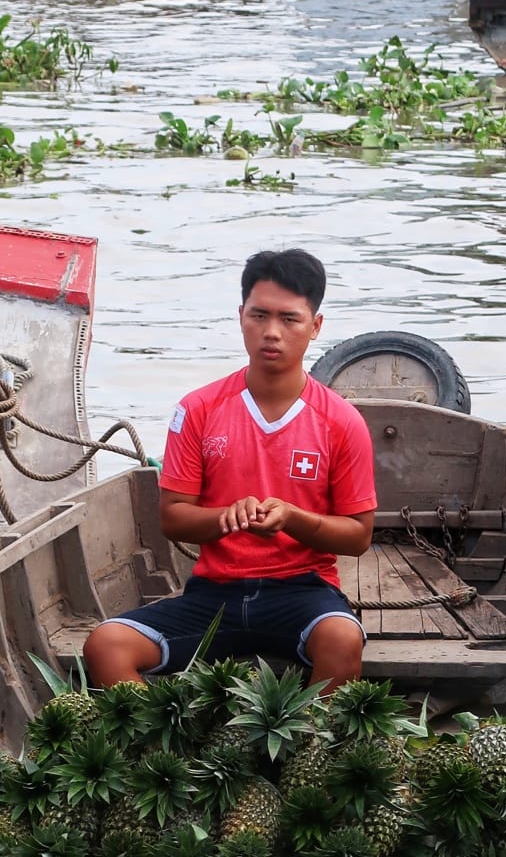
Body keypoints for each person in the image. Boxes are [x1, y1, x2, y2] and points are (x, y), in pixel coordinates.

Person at [82, 249, 376, 691]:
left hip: (303, 592)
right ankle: (168, 754)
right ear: (241, 316)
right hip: (214, 595)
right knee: (106, 646)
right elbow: (172, 517)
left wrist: (291, 518)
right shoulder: (198, 409)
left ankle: (312, 754)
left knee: (342, 637)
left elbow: (358, 536)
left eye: (289, 319)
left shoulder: (341, 421)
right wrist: (225, 518)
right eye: (259, 315)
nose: (271, 332)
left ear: (315, 327)